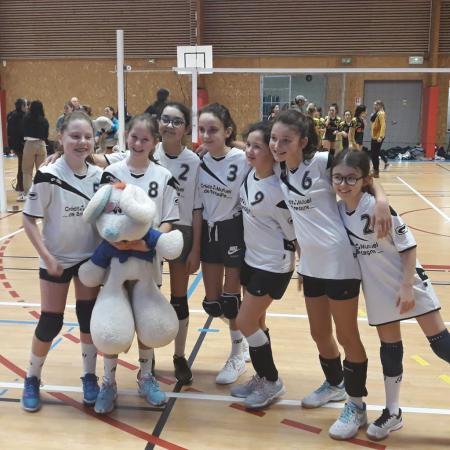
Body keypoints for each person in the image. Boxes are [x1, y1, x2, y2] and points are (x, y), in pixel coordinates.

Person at [269, 110, 391, 440]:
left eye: (286, 140)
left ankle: (357, 405)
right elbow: (245, 147)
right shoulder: (279, 167)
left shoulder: (323, 162)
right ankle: (335, 384)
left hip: (340, 263)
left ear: (303, 141)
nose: (277, 145)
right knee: (319, 333)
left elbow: (364, 171)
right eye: (274, 139)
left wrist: (381, 200)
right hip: (310, 265)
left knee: (347, 336)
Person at [332, 148, 450, 440]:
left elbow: (408, 247)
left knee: (441, 344)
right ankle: (393, 413)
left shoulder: (376, 207)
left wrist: (406, 286)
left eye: (351, 178)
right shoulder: (338, 211)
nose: (344, 184)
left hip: (407, 281)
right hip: (377, 289)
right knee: (390, 350)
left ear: (364, 180)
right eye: (338, 177)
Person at [94, 113, 179, 414]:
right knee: (112, 322)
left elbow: (169, 221)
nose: (138, 143)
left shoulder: (164, 176)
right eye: (134, 137)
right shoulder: (112, 173)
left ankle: (146, 377)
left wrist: (147, 242)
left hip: (147, 261)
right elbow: (101, 214)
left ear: (155, 142)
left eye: (145, 139)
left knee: (147, 320)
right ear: (126, 137)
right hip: (115, 262)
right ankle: (108, 382)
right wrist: (118, 240)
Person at [21, 111, 102, 412]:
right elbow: (28, 220)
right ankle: (32, 377)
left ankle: (90, 376)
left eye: (87, 137)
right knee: (50, 322)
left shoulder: (100, 177)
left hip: (89, 260)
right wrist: (47, 257)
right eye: (75, 136)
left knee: (88, 319)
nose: (82, 142)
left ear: (94, 140)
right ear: (61, 138)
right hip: (55, 259)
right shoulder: (48, 175)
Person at [231, 121, 296, 409]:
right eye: (248, 145)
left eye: (257, 146)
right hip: (252, 260)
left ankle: (272, 381)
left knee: (244, 322)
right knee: (257, 322)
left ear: (271, 150)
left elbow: (295, 234)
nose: (249, 151)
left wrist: (306, 270)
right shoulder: (250, 173)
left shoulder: (279, 190)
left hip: (273, 266)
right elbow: (239, 148)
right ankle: (261, 376)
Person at [197, 103, 248, 385]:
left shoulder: (241, 158)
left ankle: (238, 354)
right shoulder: (199, 160)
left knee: (231, 301)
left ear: (227, 131)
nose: (206, 135)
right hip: (208, 231)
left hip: (233, 230)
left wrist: (234, 143)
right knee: (213, 304)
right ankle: (246, 335)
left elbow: (265, 151)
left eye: (213, 130)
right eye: (202, 130)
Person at [154, 102, 202, 384]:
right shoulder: (148, 152)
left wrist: (195, 248)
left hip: (181, 230)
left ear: (186, 129)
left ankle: (179, 356)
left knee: (179, 299)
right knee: (148, 296)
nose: (169, 125)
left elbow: (196, 209)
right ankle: (147, 358)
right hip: (150, 231)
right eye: (165, 119)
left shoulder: (193, 161)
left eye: (176, 121)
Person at [22, 100, 49, 199]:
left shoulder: (26, 118)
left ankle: (28, 194)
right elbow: (46, 135)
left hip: (29, 144)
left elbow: (22, 131)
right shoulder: (44, 120)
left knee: (27, 171)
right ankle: (42, 193)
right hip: (41, 144)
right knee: (42, 170)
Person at [7, 98, 27, 200]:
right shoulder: (22, 116)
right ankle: (21, 187)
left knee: (21, 166)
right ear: (22, 106)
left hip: (15, 145)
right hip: (21, 145)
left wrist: (11, 146)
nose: (27, 107)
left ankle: (20, 185)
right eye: (25, 105)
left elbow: (9, 132)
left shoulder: (11, 115)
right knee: (22, 167)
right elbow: (21, 132)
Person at [370, 100, 388, 177]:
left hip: (378, 137)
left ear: (380, 106)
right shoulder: (377, 113)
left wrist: (381, 136)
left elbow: (383, 125)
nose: (374, 106)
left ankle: (376, 172)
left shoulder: (381, 113)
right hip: (374, 136)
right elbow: (372, 120)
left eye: (375, 105)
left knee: (374, 155)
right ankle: (375, 171)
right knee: (374, 155)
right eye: (374, 105)